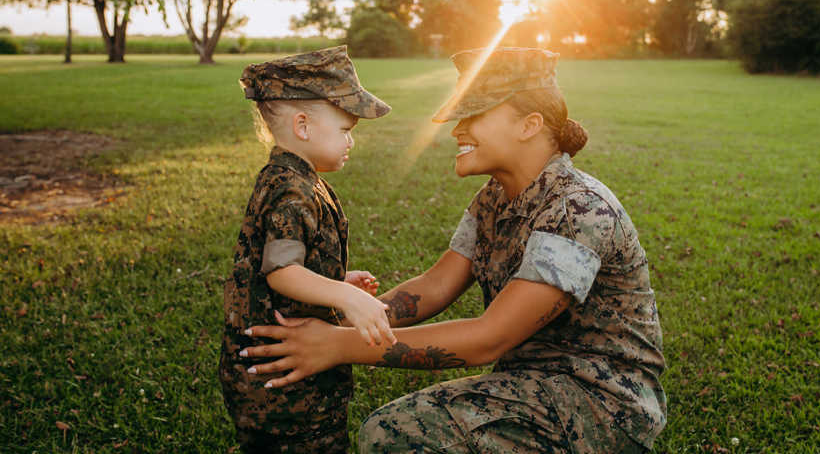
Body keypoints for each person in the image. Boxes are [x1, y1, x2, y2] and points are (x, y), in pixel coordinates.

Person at [241, 47, 667, 453]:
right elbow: (436, 286)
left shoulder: (578, 210)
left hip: (602, 406)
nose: (458, 129)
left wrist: (337, 345)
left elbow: (488, 339)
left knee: (391, 433)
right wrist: (352, 317)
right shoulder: (495, 198)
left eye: (474, 115)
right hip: (538, 383)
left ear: (529, 124)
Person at [219, 45, 397, 454]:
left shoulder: (298, 178)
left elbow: (295, 260)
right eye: (344, 129)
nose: (351, 140)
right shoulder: (289, 188)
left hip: (287, 372)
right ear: (302, 126)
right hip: (283, 392)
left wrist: (334, 278)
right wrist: (345, 296)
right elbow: (281, 272)